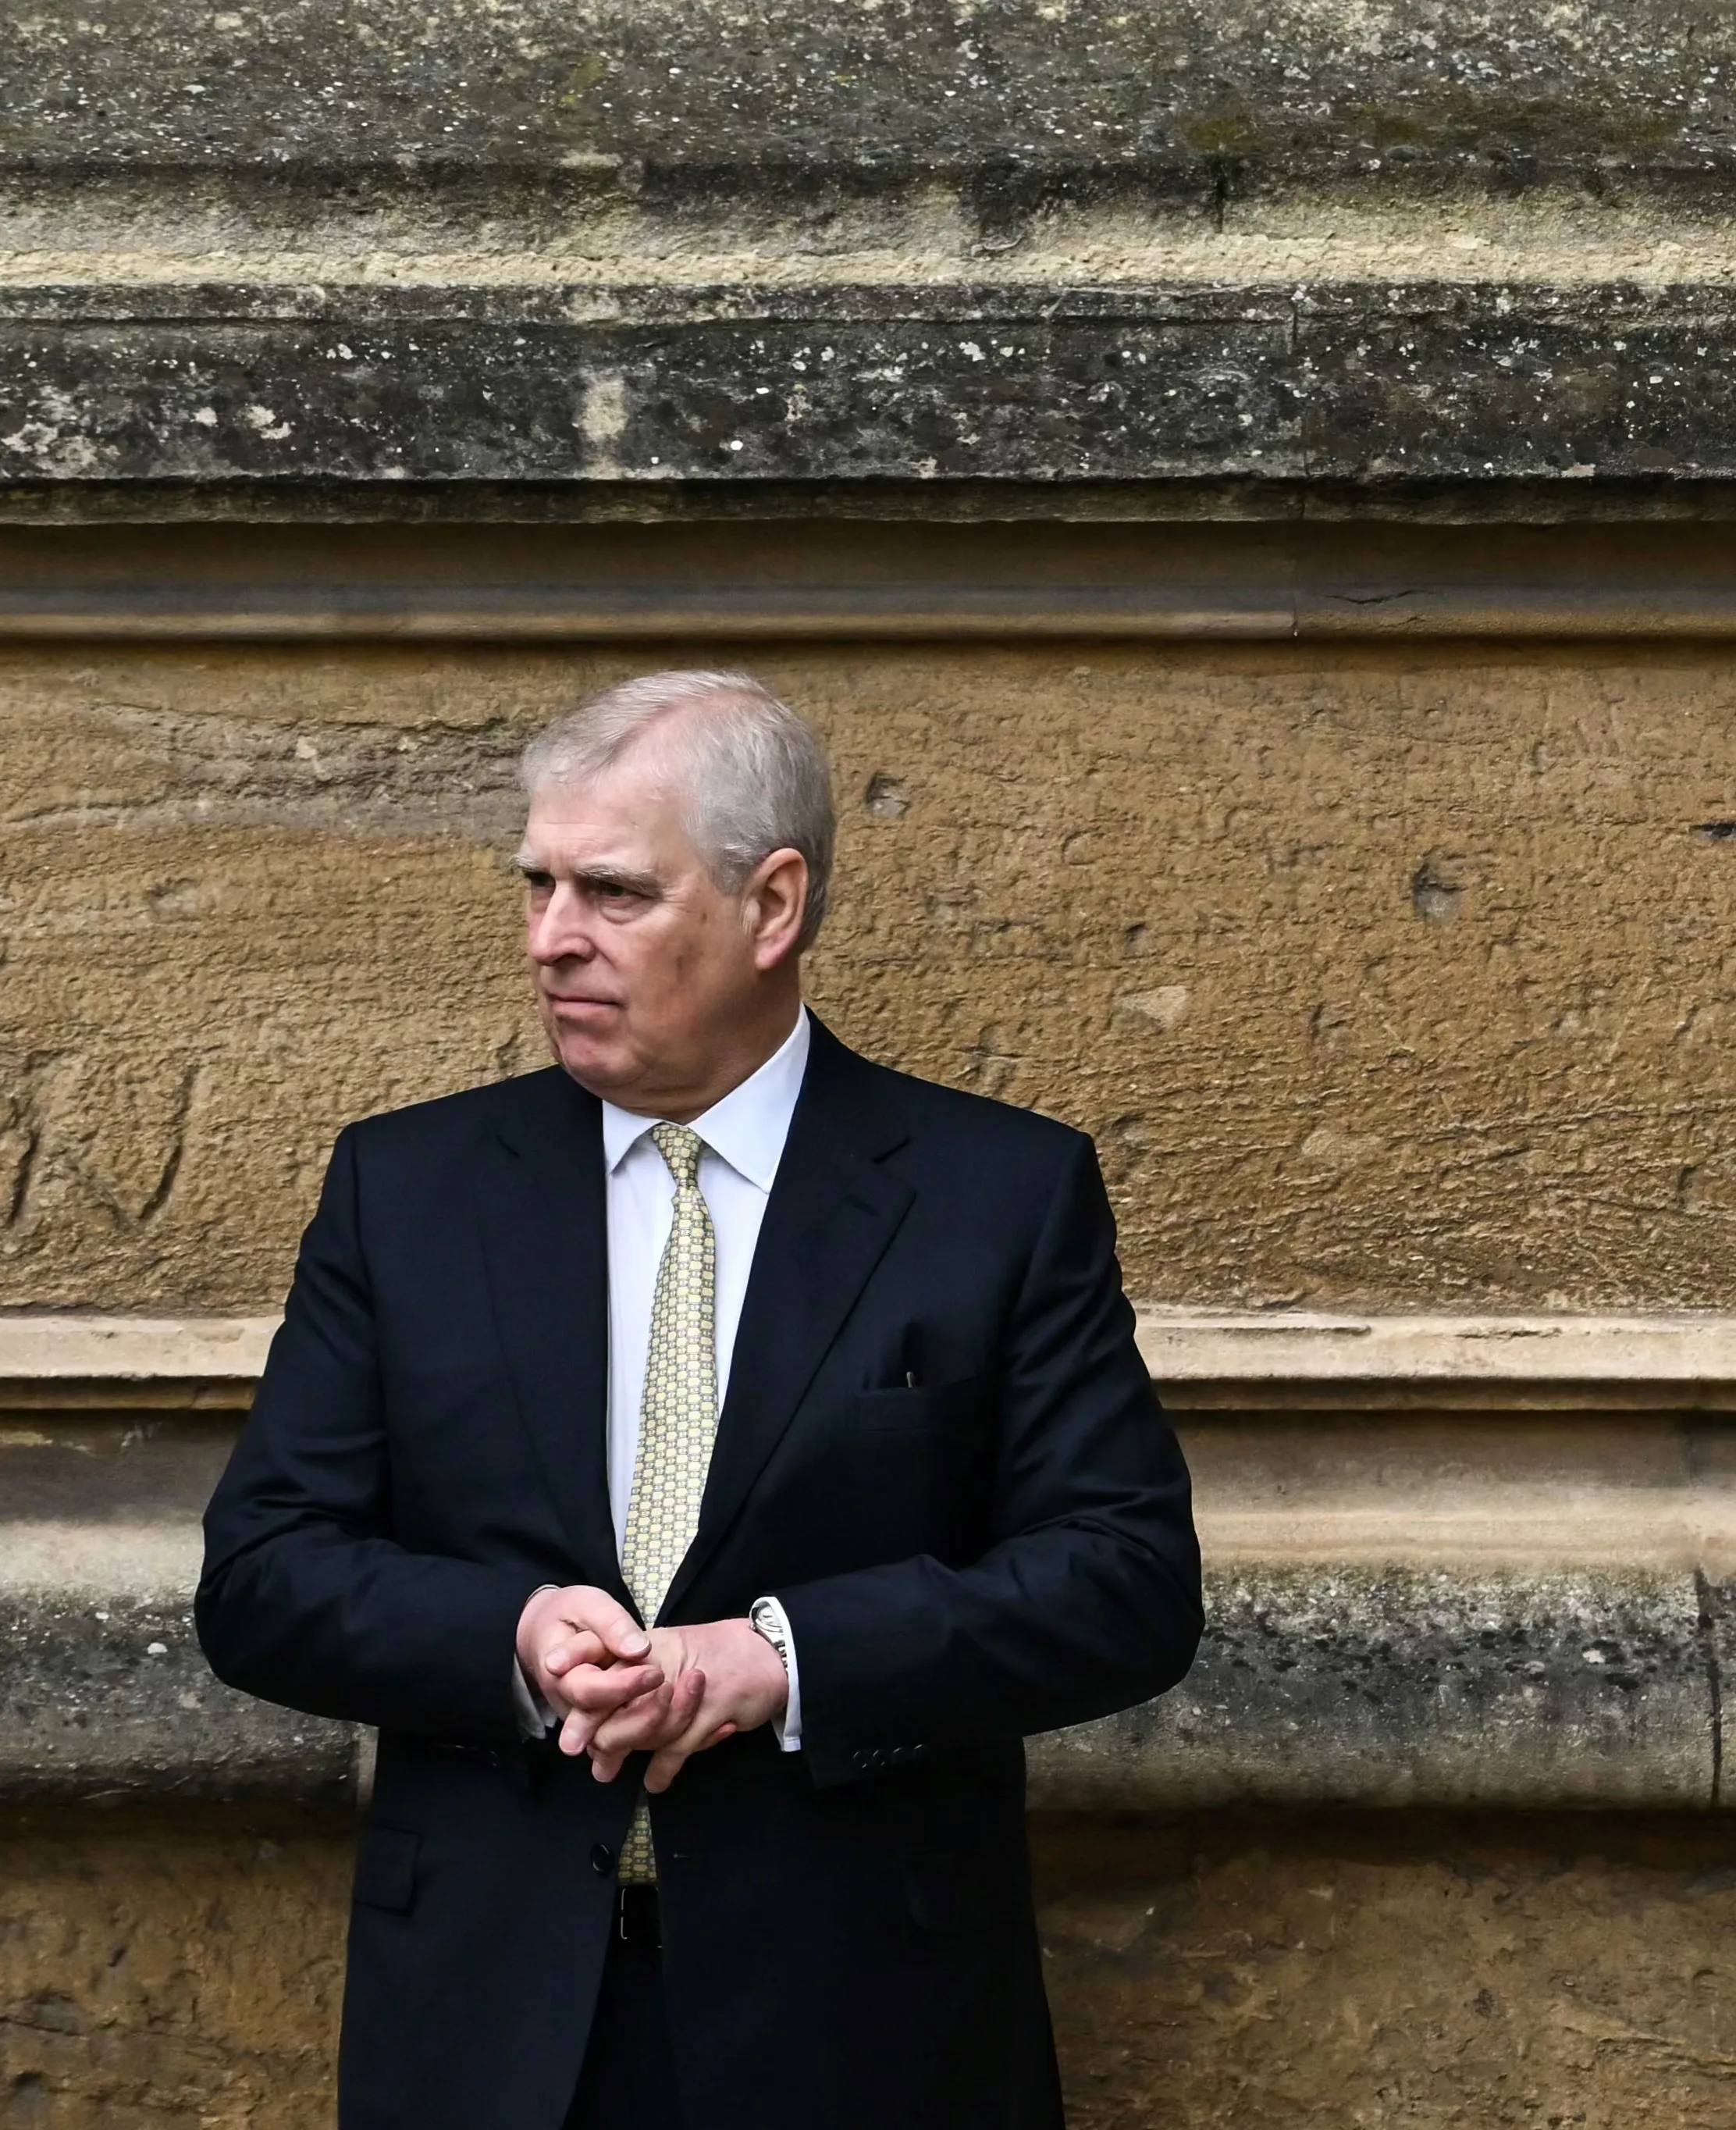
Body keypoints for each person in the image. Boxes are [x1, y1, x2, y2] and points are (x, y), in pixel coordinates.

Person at [196, 670, 1202, 2130]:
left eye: (613, 892)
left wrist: (785, 1661)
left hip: (866, 2030)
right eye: (537, 884)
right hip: (489, 2026)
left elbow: (1125, 1584)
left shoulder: (997, 1196)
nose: (550, 937)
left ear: (771, 905)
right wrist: (514, 1636)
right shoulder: (406, 1190)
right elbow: (262, 1574)